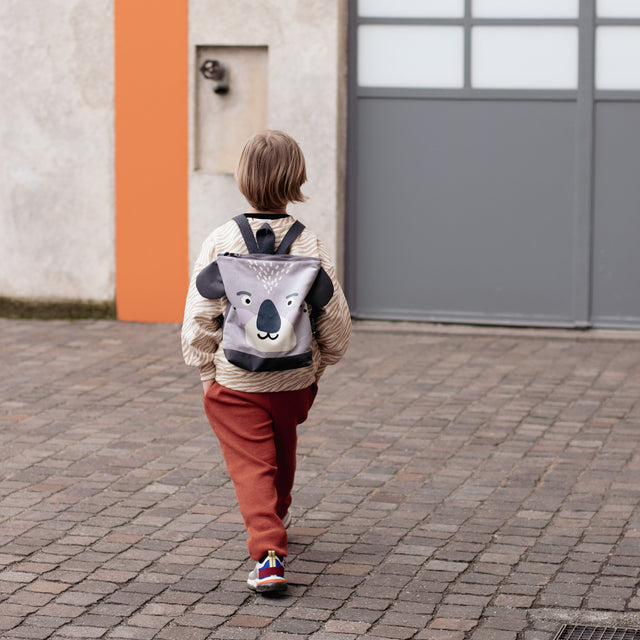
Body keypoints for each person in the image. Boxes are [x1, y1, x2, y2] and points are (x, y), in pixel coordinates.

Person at [181, 130, 351, 594]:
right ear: (297, 179)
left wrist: (204, 367)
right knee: (281, 452)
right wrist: (320, 364)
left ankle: (269, 553)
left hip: (237, 379)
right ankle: (276, 516)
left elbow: (201, 313)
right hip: (294, 378)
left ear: (242, 179)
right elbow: (332, 314)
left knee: (252, 465)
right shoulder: (308, 244)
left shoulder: (221, 239)